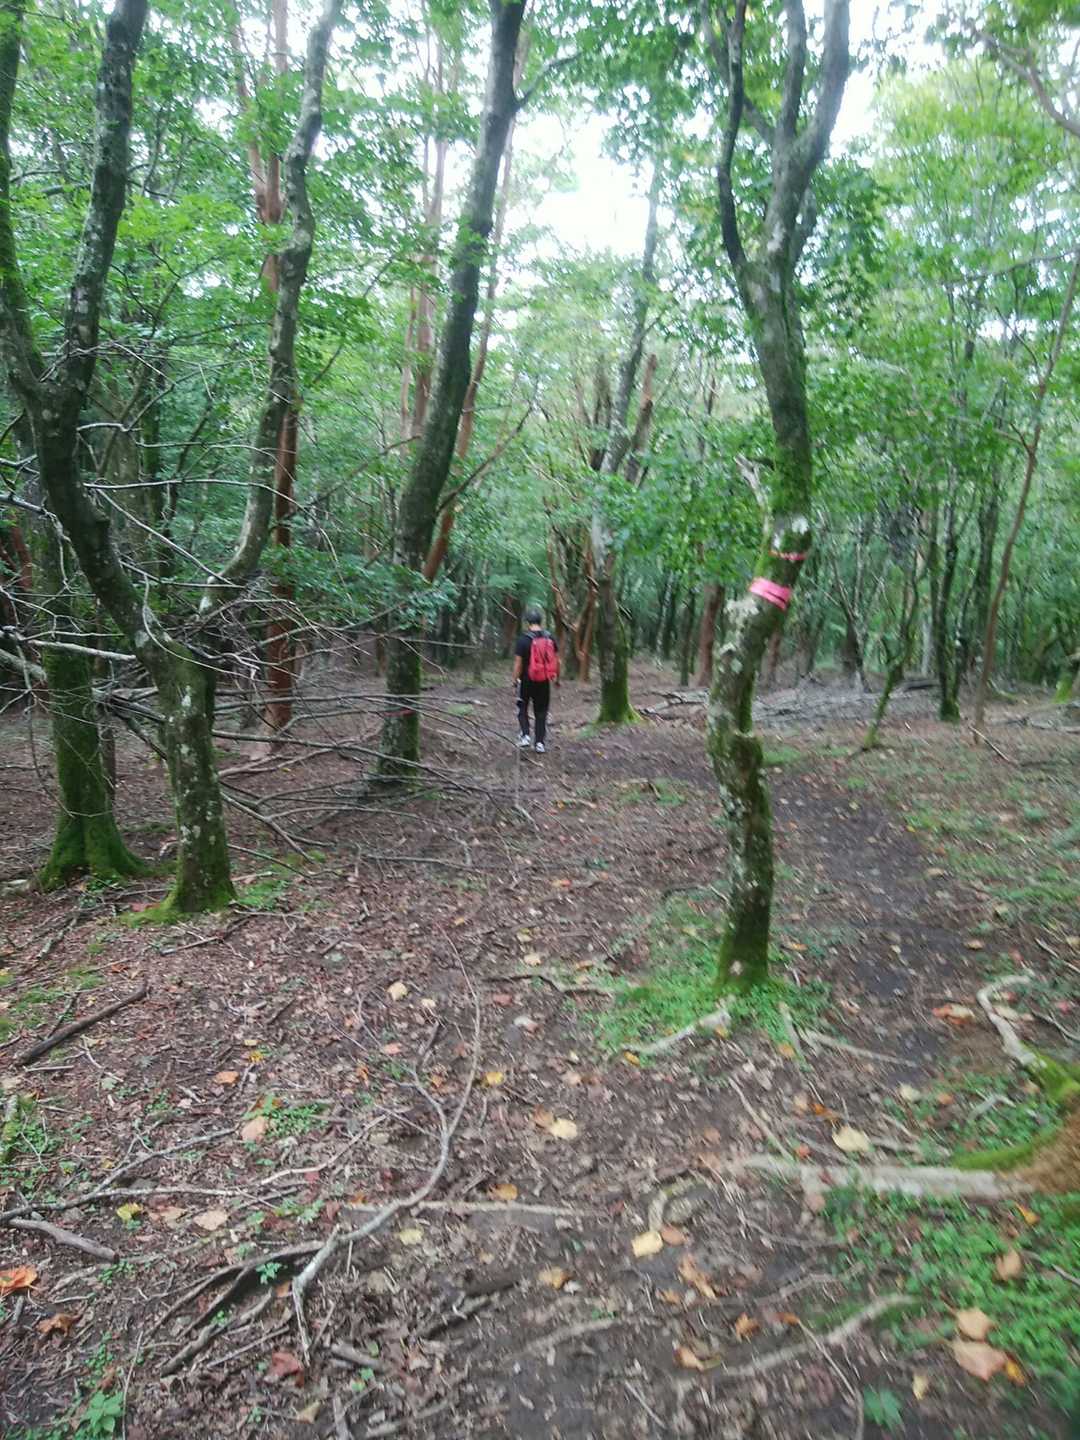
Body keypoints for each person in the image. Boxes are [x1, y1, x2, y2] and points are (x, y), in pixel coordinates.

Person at [512, 607, 559, 753]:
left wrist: (515, 680)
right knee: (541, 711)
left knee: (522, 707)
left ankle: (525, 735)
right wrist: (556, 678)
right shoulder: (550, 638)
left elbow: (518, 664)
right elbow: (557, 660)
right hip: (544, 680)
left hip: (526, 680)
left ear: (528, 622)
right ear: (540, 621)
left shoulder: (523, 639)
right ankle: (539, 743)